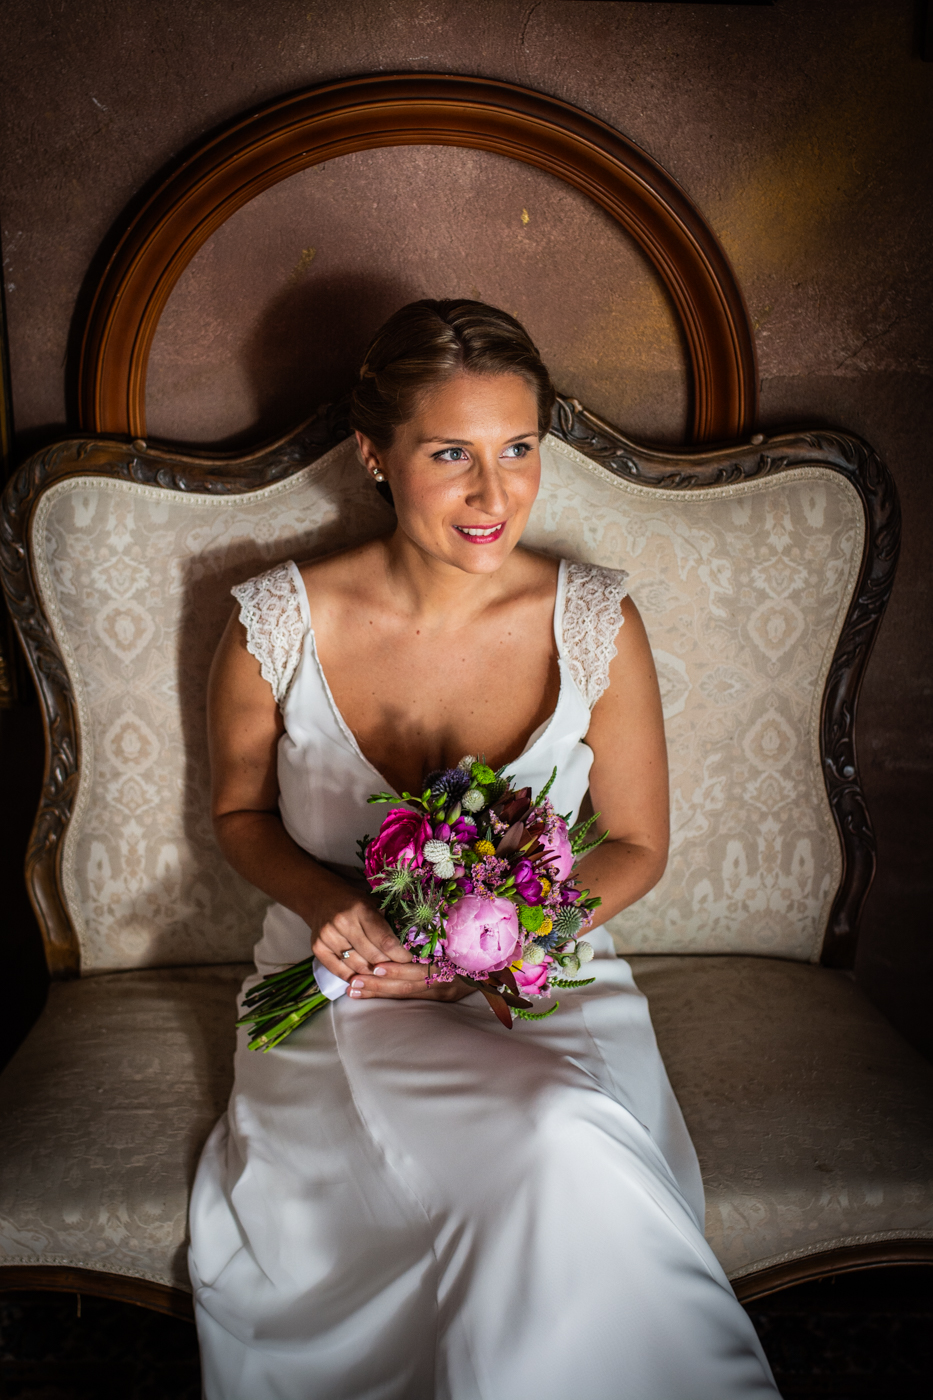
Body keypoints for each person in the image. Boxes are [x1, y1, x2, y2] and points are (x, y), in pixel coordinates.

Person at [188, 299, 779, 1399]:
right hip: (346, 987)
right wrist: (332, 906)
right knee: (534, 1151)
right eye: (450, 452)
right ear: (374, 452)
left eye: (517, 450)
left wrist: (508, 937)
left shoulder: (594, 617)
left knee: (561, 1129)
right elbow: (238, 815)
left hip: (549, 979)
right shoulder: (277, 620)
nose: (491, 494)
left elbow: (640, 843)